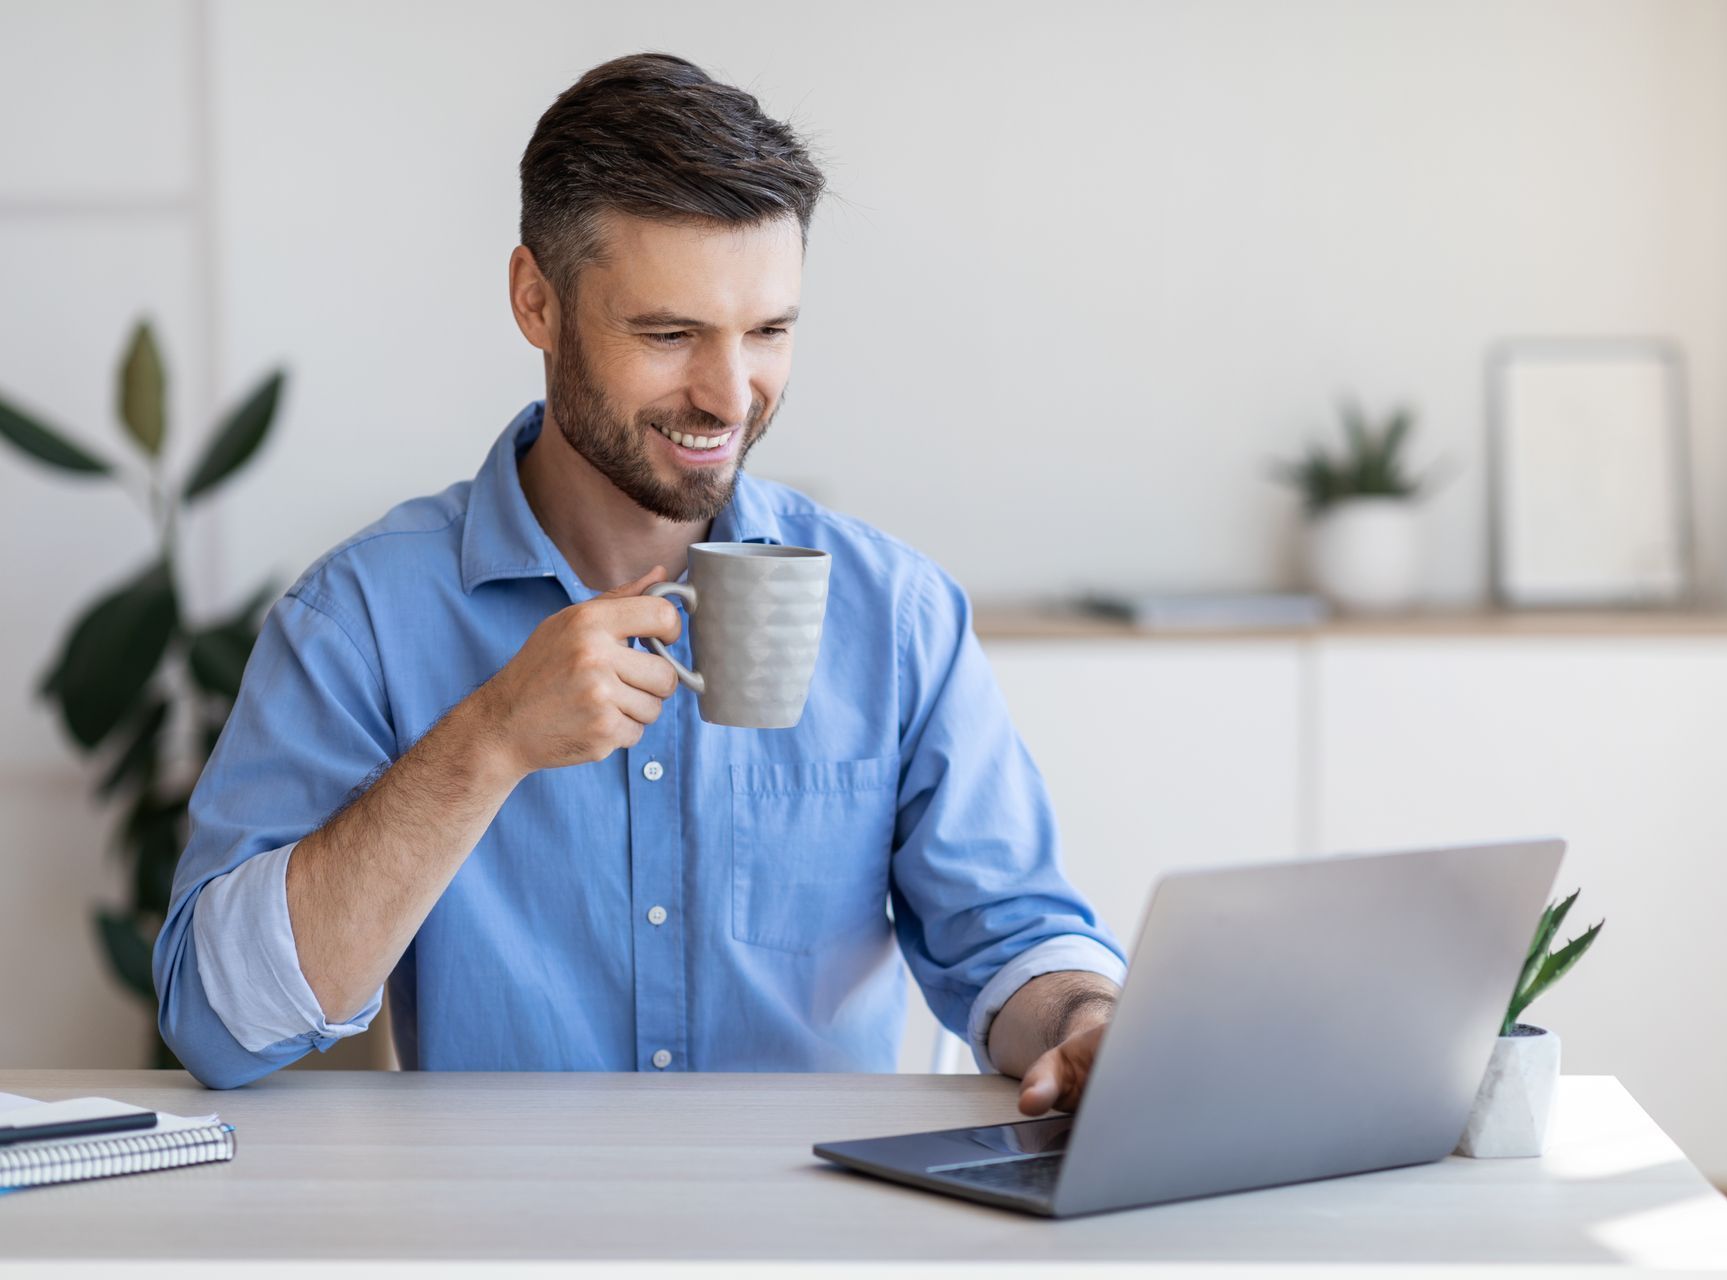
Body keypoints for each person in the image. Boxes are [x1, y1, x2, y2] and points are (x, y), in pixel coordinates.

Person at [155, 53, 1126, 1106]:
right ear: (537, 300)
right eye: (669, 335)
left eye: (769, 332)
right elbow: (220, 1021)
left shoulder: (896, 614)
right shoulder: (363, 619)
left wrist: (1088, 1023)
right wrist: (487, 740)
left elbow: (1015, 937)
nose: (728, 393)